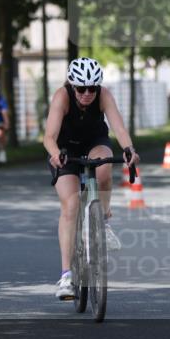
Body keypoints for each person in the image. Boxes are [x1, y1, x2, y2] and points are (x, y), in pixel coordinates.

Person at [43, 57, 140, 300]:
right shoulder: (61, 97)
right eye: (81, 88)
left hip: (95, 142)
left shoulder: (104, 95)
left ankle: (104, 220)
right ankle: (66, 275)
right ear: (72, 86)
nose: (87, 93)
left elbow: (119, 128)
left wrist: (128, 149)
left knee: (104, 169)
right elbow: (49, 137)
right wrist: (55, 155)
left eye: (92, 89)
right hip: (65, 150)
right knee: (71, 205)